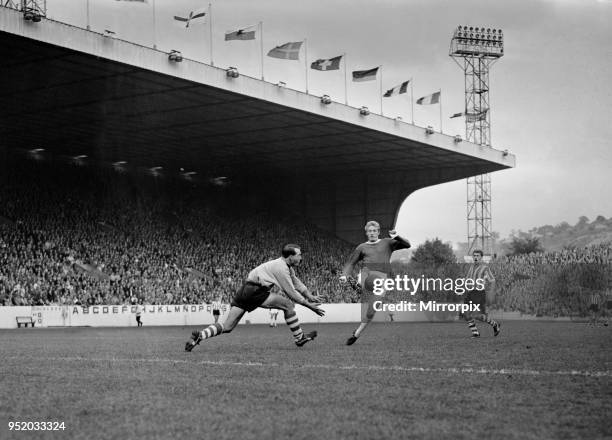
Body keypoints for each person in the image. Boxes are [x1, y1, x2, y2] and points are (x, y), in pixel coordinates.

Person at [185, 244, 325, 351]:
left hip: (245, 290)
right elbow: (291, 292)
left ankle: (199, 336)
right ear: (290, 256)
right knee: (288, 305)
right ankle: (299, 338)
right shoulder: (281, 268)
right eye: (299, 255)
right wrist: (309, 305)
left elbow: (296, 283)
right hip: (255, 291)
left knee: (227, 326)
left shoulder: (286, 267)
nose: (301, 257)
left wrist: (310, 296)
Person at [340, 220, 410, 345]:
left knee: (371, 311)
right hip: (368, 274)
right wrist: (345, 275)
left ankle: (356, 334)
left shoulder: (387, 242)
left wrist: (396, 236)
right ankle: (360, 283)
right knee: (367, 273)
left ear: (378, 232)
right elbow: (351, 263)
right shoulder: (362, 247)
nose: (372, 233)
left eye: (374, 231)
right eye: (369, 231)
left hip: (383, 280)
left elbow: (407, 245)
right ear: (366, 233)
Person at [463, 250, 500, 338]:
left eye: (477, 256)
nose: (475, 257)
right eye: (474, 255)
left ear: (481, 257)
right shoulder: (471, 267)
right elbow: (467, 279)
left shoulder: (485, 268)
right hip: (471, 293)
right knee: (466, 314)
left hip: (479, 293)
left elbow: (492, 280)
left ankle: (495, 324)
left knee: (477, 315)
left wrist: (491, 292)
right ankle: (476, 333)